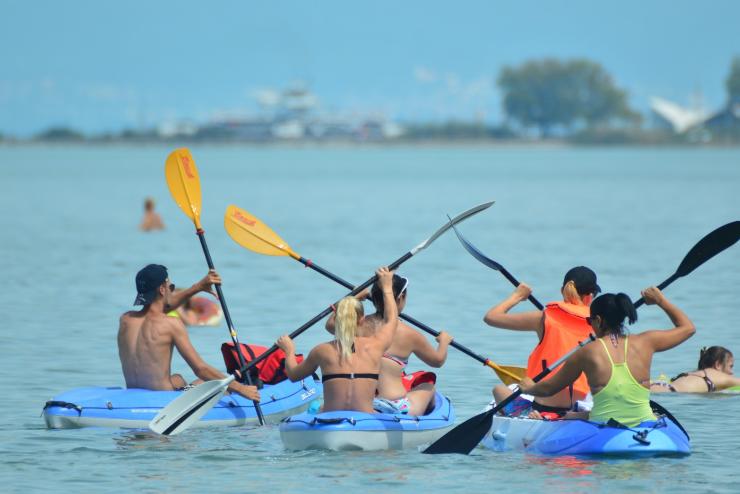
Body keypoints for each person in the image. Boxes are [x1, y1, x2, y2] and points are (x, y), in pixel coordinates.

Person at [519, 287, 695, 426]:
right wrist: (660, 301)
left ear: (598, 320)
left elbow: (549, 388)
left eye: (590, 321)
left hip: (604, 427)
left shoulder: (586, 352)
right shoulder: (647, 341)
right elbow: (688, 328)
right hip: (644, 424)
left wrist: (529, 387)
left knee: (573, 416)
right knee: (577, 415)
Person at [118, 264, 259, 401]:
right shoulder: (171, 324)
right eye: (170, 288)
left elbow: (155, 311)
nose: (171, 291)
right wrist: (240, 388)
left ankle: (186, 388)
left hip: (133, 396)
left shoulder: (126, 319)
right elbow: (200, 369)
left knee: (178, 379)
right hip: (163, 400)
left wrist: (198, 287)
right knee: (204, 382)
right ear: (162, 289)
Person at [325, 274, 453, 416]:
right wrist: (444, 341)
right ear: (399, 299)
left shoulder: (358, 325)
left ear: (373, 299)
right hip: (392, 406)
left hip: (359, 402)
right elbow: (437, 360)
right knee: (428, 387)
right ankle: (426, 417)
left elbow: (330, 324)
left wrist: (353, 298)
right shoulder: (409, 334)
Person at [275, 267, 398, 413]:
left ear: (337, 320)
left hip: (330, 419)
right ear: (362, 320)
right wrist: (387, 287)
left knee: (315, 408)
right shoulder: (376, 345)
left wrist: (289, 351)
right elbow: (392, 320)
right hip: (365, 418)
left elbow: (294, 376)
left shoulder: (321, 351)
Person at [485, 266, 600, 418]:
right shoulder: (600, 324)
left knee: (498, 390)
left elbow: (491, 317)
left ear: (562, 290)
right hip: (580, 409)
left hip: (543, 407)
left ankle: (532, 416)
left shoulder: (543, 318)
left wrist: (517, 296)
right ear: (590, 296)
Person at [651, 346, 740, 393]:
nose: (731, 372)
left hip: (660, 386)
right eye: (730, 366)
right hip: (667, 392)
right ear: (718, 365)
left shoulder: (696, 373)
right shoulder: (717, 375)